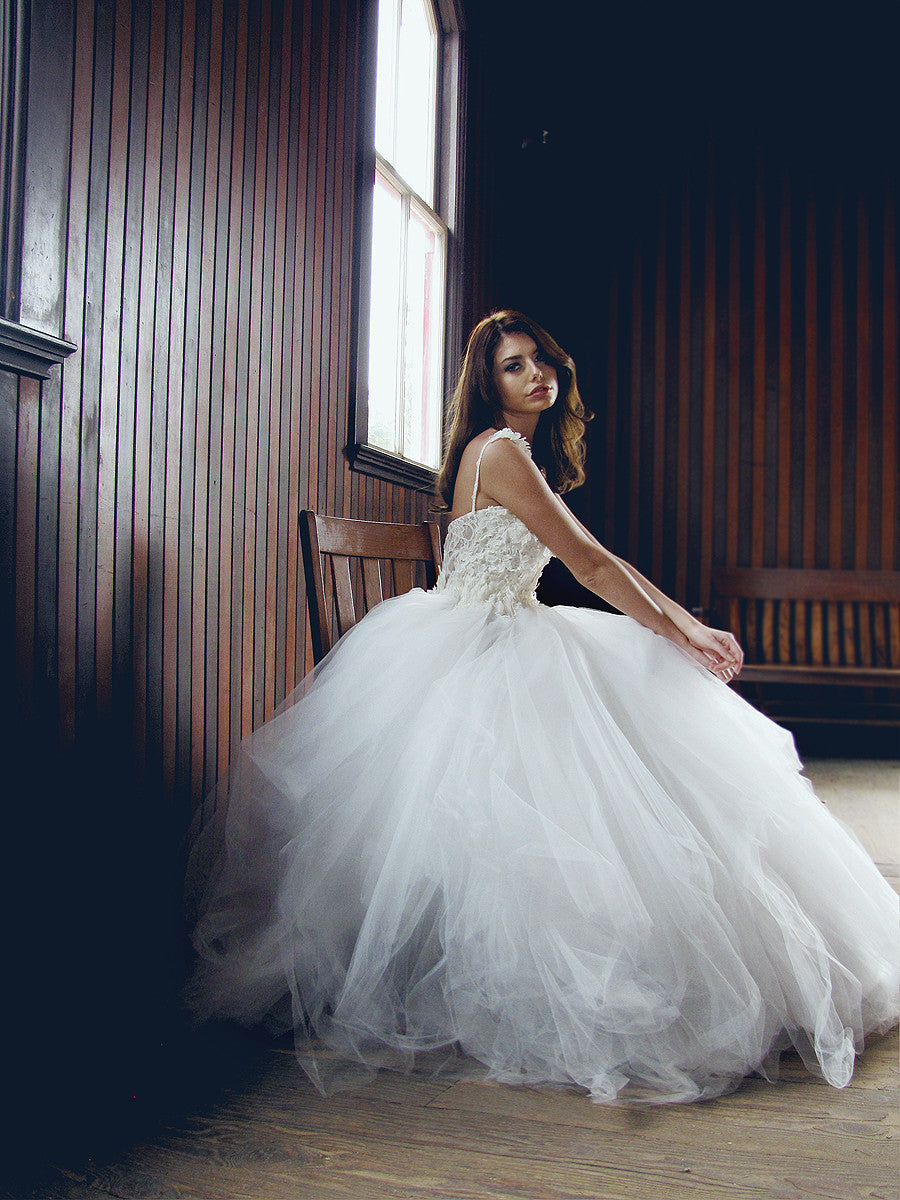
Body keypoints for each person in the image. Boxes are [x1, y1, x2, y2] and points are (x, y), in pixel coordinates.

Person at [188, 310, 899, 1104]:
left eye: (540, 361)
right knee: (604, 733)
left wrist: (680, 626)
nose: (534, 375)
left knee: (641, 708)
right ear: (488, 385)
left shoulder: (513, 454)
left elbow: (595, 559)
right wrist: (687, 628)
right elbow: (589, 563)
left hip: (498, 623)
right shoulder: (500, 451)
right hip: (477, 641)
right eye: (513, 366)